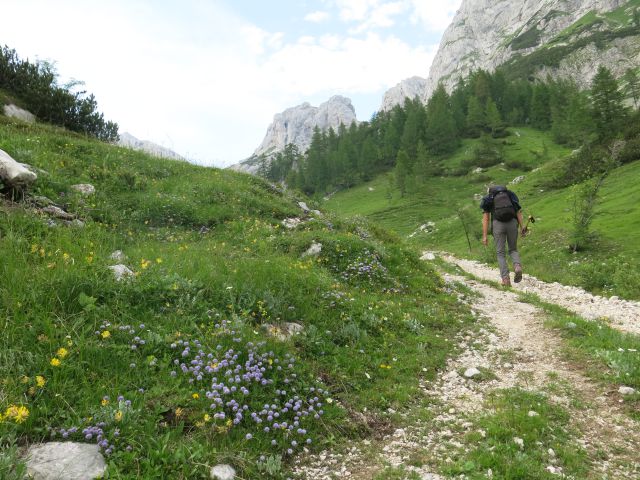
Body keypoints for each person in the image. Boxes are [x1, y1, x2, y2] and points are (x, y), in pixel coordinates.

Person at [480, 185, 527, 287]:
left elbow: (486, 219)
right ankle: (517, 266)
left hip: (498, 225)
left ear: (490, 192)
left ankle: (505, 279)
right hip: (512, 223)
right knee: (513, 249)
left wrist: (484, 236)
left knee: (500, 253)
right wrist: (522, 227)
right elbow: (518, 212)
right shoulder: (510, 195)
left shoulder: (488, 199)